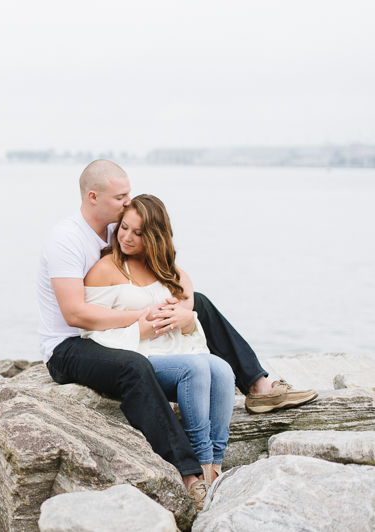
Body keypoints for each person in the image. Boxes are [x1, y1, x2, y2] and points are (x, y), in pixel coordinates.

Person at [37, 159, 317, 508]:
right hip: (69, 346)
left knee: (198, 304)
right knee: (133, 368)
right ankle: (187, 472)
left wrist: (182, 313)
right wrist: (142, 317)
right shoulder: (66, 239)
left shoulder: (115, 231)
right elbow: (74, 314)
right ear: (93, 196)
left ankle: (258, 385)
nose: (128, 203)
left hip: (112, 328)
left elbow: (154, 267)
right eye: (121, 197)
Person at [81, 194, 234, 499]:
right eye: (124, 227)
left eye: (138, 233)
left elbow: (190, 327)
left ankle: (216, 465)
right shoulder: (106, 269)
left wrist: (187, 321)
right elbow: (90, 331)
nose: (126, 237)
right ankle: (201, 464)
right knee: (196, 369)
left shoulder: (167, 271)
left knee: (222, 369)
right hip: (139, 357)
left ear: (154, 236)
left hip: (172, 351)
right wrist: (141, 329)